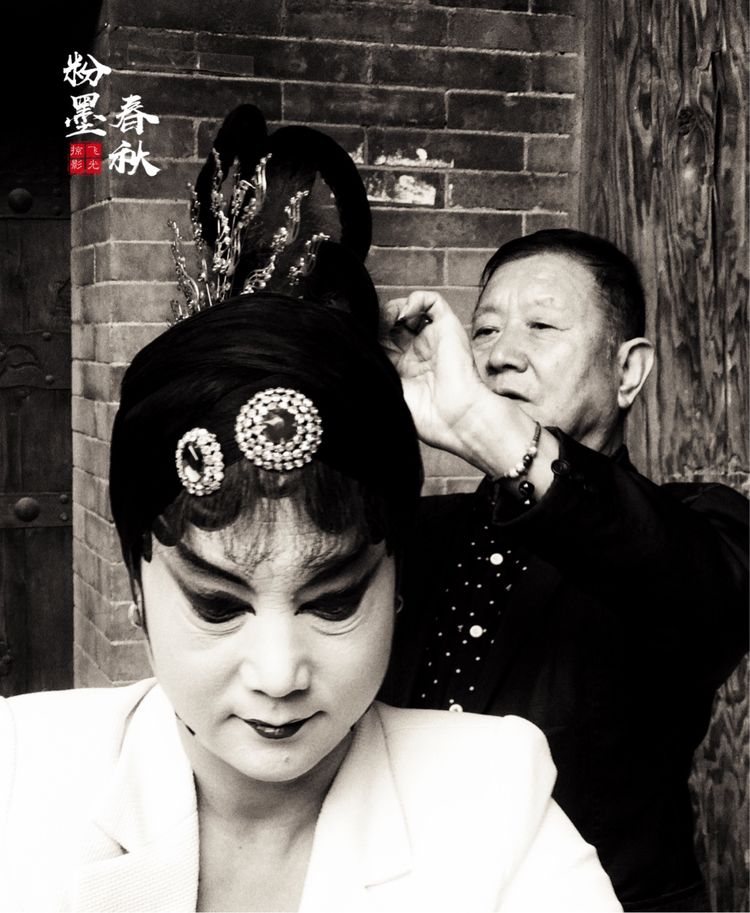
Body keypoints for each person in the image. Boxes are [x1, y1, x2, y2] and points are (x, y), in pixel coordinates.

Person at [0, 114, 621, 913]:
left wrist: (477, 421)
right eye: (217, 605)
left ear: (395, 583)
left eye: (332, 601)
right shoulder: (24, 774)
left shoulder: (492, 799)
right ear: (136, 588)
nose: (278, 673)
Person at [379, 229, 749, 912]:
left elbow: (699, 590)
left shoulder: (703, 528)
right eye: (484, 330)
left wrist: (478, 419)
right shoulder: (417, 534)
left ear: (628, 371)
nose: (499, 356)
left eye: (541, 326)